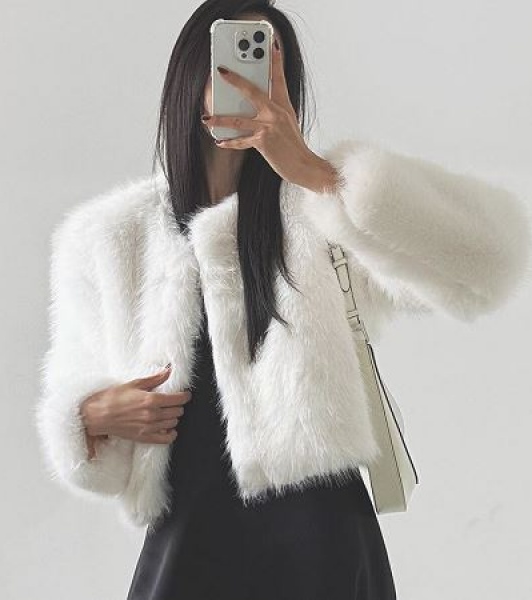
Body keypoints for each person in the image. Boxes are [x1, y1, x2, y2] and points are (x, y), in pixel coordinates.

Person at [34, 1, 531, 599]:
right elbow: (77, 395)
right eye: (232, 57)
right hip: (188, 537)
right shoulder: (108, 237)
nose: (247, 78)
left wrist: (321, 176)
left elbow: (491, 260)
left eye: (268, 63)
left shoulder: (325, 209)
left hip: (323, 539)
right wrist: (89, 417)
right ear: (192, 73)